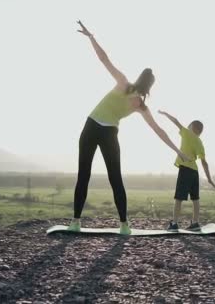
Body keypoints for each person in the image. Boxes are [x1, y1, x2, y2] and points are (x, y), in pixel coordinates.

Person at [69, 21, 190, 235]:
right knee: (115, 178)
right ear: (150, 87)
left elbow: (104, 59)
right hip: (107, 133)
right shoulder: (141, 105)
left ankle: (77, 221)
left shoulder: (124, 84)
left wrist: (91, 37)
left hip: (92, 127)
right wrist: (178, 151)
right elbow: (158, 131)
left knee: (85, 175)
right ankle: (124, 225)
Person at [158, 110, 215, 231]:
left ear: (192, 128)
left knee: (178, 197)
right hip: (195, 172)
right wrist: (210, 179)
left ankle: (174, 223)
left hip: (185, 169)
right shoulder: (200, 142)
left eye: (189, 125)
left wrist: (165, 114)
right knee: (195, 198)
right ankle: (195, 223)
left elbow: (176, 121)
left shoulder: (186, 133)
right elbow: (204, 162)